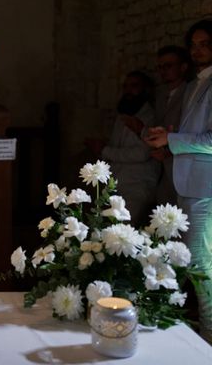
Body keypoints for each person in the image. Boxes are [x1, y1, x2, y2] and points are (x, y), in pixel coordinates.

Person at [146, 19, 212, 343]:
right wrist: (168, 140)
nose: (198, 50)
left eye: (205, 44)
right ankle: (183, 333)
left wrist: (172, 140)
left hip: (205, 188)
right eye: (194, 44)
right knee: (183, 262)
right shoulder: (195, 84)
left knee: (202, 267)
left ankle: (209, 339)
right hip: (186, 183)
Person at [85, 71, 160, 225]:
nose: (128, 90)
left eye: (134, 86)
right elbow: (117, 146)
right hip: (116, 184)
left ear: (145, 90)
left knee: (123, 236)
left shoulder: (151, 117)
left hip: (137, 186)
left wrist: (105, 150)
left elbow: (142, 153)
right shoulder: (123, 115)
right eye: (125, 86)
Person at [151, 45, 190, 205]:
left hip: (184, 167)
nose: (163, 71)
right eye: (160, 67)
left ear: (183, 67)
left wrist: (169, 150)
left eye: (168, 66)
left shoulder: (190, 92)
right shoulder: (160, 94)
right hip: (163, 168)